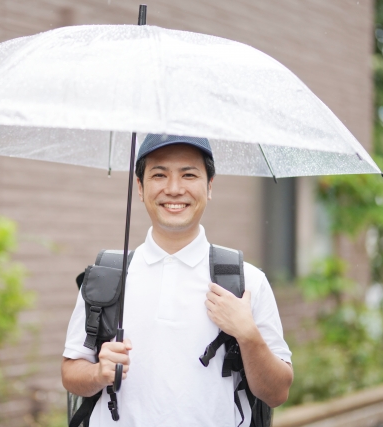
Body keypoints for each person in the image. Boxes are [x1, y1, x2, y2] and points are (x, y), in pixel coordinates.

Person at [61, 134, 293, 426]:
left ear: (209, 186)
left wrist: (247, 335)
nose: (173, 189)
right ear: (141, 187)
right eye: (159, 174)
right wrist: (98, 373)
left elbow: (277, 392)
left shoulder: (248, 282)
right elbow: (70, 372)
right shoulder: (107, 276)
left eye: (189, 175)